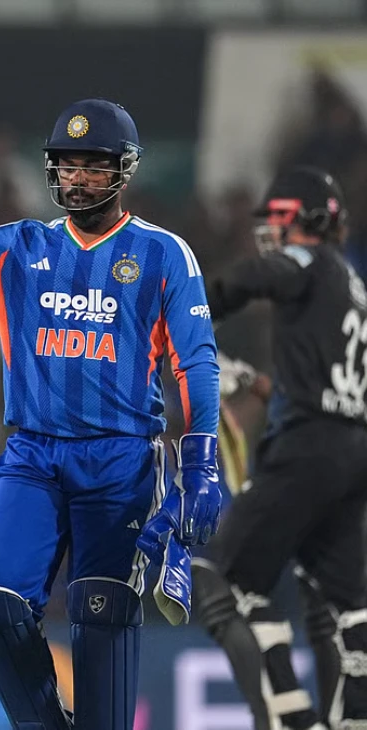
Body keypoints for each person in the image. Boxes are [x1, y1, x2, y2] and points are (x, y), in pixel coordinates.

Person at [0, 100, 222, 729]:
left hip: (121, 459)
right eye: (67, 164)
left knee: (102, 613)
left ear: (124, 170)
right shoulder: (21, 244)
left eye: (94, 165)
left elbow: (196, 362)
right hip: (33, 454)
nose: (78, 177)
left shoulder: (162, 253)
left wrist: (201, 463)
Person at [194, 166, 367, 730]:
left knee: (220, 580)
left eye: (278, 217)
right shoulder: (351, 281)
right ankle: (354, 718)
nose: (268, 230)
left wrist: (192, 308)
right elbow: (327, 380)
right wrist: (257, 383)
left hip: (306, 448)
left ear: (307, 219)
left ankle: (289, 719)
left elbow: (259, 275)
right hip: (350, 448)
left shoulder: (308, 261)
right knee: (344, 603)